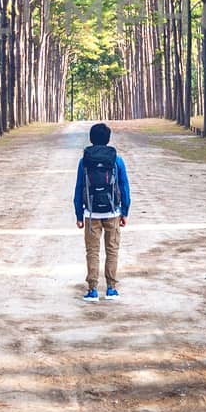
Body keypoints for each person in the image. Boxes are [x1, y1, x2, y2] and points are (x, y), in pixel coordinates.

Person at [73, 122, 130, 302]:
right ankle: (111, 289)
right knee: (112, 250)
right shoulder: (116, 160)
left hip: (91, 214)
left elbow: (79, 187)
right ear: (108, 139)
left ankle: (92, 290)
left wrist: (79, 215)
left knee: (92, 251)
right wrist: (125, 211)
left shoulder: (84, 160)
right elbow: (124, 186)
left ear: (91, 139)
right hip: (113, 212)